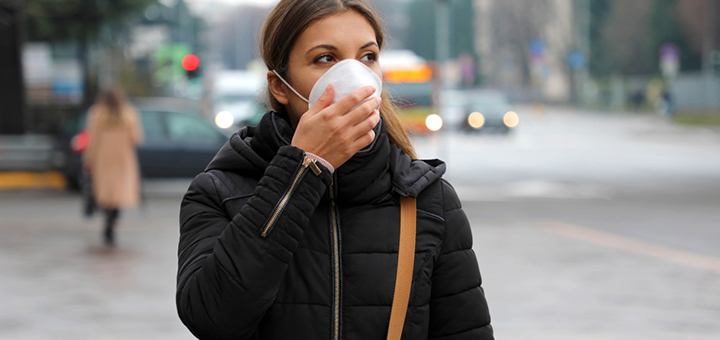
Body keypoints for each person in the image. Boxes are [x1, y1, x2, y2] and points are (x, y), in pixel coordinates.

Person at [176, 0, 493, 339]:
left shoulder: (428, 200)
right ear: (280, 86)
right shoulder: (219, 192)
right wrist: (302, 170)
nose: (354, 75)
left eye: (367, 56)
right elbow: (212, 318)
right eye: (325, 58)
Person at [83, 87, 144, 246]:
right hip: (123, 159)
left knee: (105, 193)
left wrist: (88, 160)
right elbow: (137, 139)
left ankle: (107, 219)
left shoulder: (96, 114)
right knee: (118, 194)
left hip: (103, 159)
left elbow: (93, 140)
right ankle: (112, 223)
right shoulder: (130, 114)